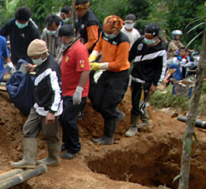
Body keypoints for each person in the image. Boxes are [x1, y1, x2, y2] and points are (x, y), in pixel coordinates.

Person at [11, 40, 63, 168]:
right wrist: (33, 68)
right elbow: (41, 68)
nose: (34, 61)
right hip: (39, 105)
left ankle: (53, 158)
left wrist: (52, 112)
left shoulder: (52, 69)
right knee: (29, 129)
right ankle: (28, 159)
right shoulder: (43, 63)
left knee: (50, 134)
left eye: (35, 58)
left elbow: (57, 92)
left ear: (44, 55)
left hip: (49, 107)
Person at [89, 15, 130, 145]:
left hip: (119, 75)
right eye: (106, 32)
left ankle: (108, 136)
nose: (108, 34)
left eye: (110, 32)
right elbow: (98, 46)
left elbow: (118, 64)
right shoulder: (104, 34)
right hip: (107, 71)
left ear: (118, 30)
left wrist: (98, 66)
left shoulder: (123, 41)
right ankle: (116, 114)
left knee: (108, 104)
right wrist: (92, 57)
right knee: (96, 100)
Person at [55, 25, 90, 160]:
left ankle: (74, 147)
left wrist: (79, 90)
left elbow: (85, 70)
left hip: (75, 92)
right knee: (64, 117)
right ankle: (67, 142)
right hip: (67, 90)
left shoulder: (79, 49)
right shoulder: (70, 48)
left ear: (63, 37)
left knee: (69, 119)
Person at [126, 23, 166, 137]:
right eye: (146, 36)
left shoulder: (161, 50)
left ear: (156, 36)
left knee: (137, 103)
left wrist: (155, 84)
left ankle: (133, 126)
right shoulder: (140, 41)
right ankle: (146, 120)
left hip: (146, 81)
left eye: (150, 37)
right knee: (137, 100)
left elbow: (161, 68)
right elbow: (131, 55)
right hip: (135, 76)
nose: (147, 39)